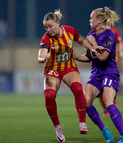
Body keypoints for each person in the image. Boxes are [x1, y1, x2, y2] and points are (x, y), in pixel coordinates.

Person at [37, 9, 102, 143]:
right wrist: (45, 57)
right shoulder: (46, 38)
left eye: (50, 26)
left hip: (68, 67)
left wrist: (92, 49)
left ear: (58, 23)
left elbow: (82, 41)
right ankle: (57, 127)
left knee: (78, 89)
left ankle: (82, 122)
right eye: (46, 27)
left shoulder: (70, 31)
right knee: (49, 96)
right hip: (52, 69)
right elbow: (40, 56)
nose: (48, 29)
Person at [73, 7, 123, 143]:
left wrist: (93, 42)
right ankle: (105, 131)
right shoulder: (91, 33)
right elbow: (89, 57)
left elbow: (103, 57)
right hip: (96, 75)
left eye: (91, 18)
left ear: (99, 20)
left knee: (107, 101)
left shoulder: (109, 35)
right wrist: (75, 56)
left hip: (109, 73)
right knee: (85, 101)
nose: (89, 20)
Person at [99, 25, 123, 117]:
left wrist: (120, 51)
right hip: (100, 63)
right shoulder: (95, 30)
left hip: (112, 63)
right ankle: (107, 107)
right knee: (99, 87)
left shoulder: (113, 30)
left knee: (108, 85)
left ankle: (111, 105)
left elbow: (119, 42)